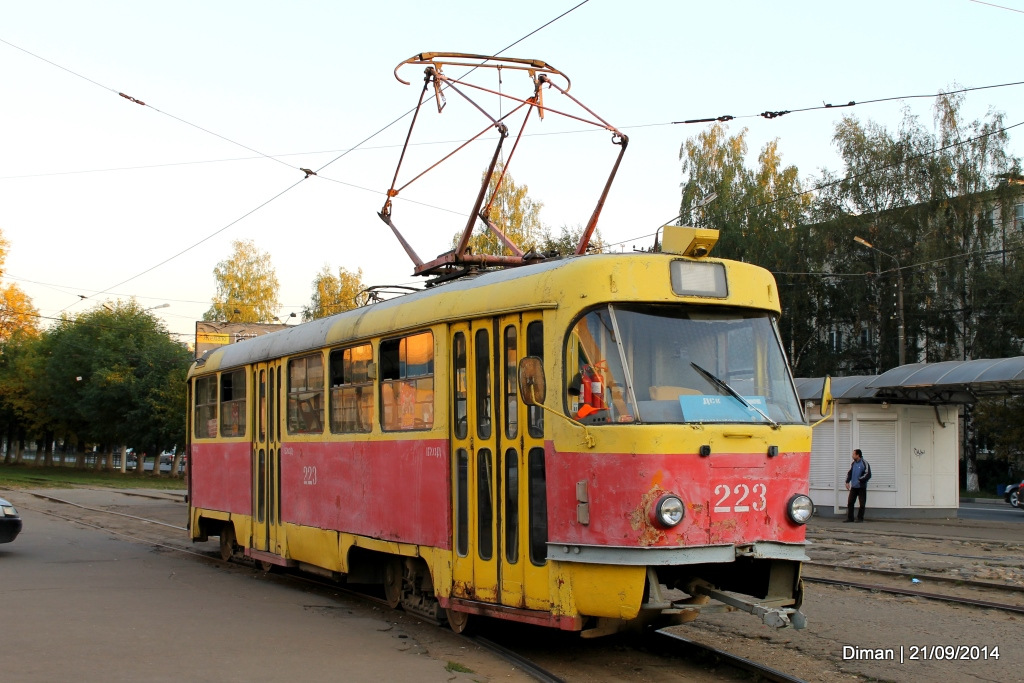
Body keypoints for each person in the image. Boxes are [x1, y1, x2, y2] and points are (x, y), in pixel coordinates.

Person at [844, 448, 871, 522]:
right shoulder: (853, 463)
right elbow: (850, 473)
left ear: (858, 455)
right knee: (850, 502)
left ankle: (860, 518)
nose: (852, 456)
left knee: (862, 504)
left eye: (853, 454)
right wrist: (847, 482)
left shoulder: (864, 463)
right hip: (854, 487)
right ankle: (850, 518)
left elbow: (868, 474)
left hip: (861, 487)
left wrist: (860, 480)